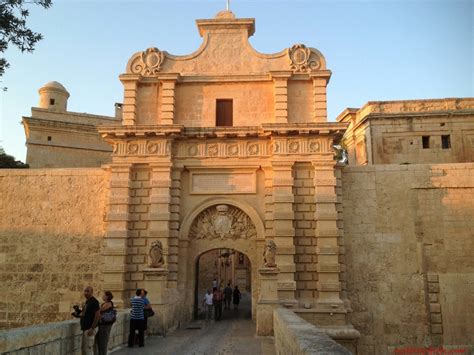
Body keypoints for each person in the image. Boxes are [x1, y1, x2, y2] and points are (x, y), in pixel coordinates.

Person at [72, 286, 100, 355]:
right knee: (85, 349)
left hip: (90, 329)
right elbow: (85, 314)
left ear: (92, 292)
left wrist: (92, 328)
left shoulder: (94, 302)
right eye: (85, 291)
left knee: (88, 349)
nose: (86, 293)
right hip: (86, 328)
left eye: (88, 291)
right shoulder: (87, 302)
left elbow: (97, 315)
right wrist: (77, 313)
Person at [95, 291, 114, 355]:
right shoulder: (105, 303)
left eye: (104, 295)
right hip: (102, 325)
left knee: (103, 342)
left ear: (107, 296)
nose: (102, 296)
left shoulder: (108, 303)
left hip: (105, 325)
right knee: (100, 341)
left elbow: (100, 310)